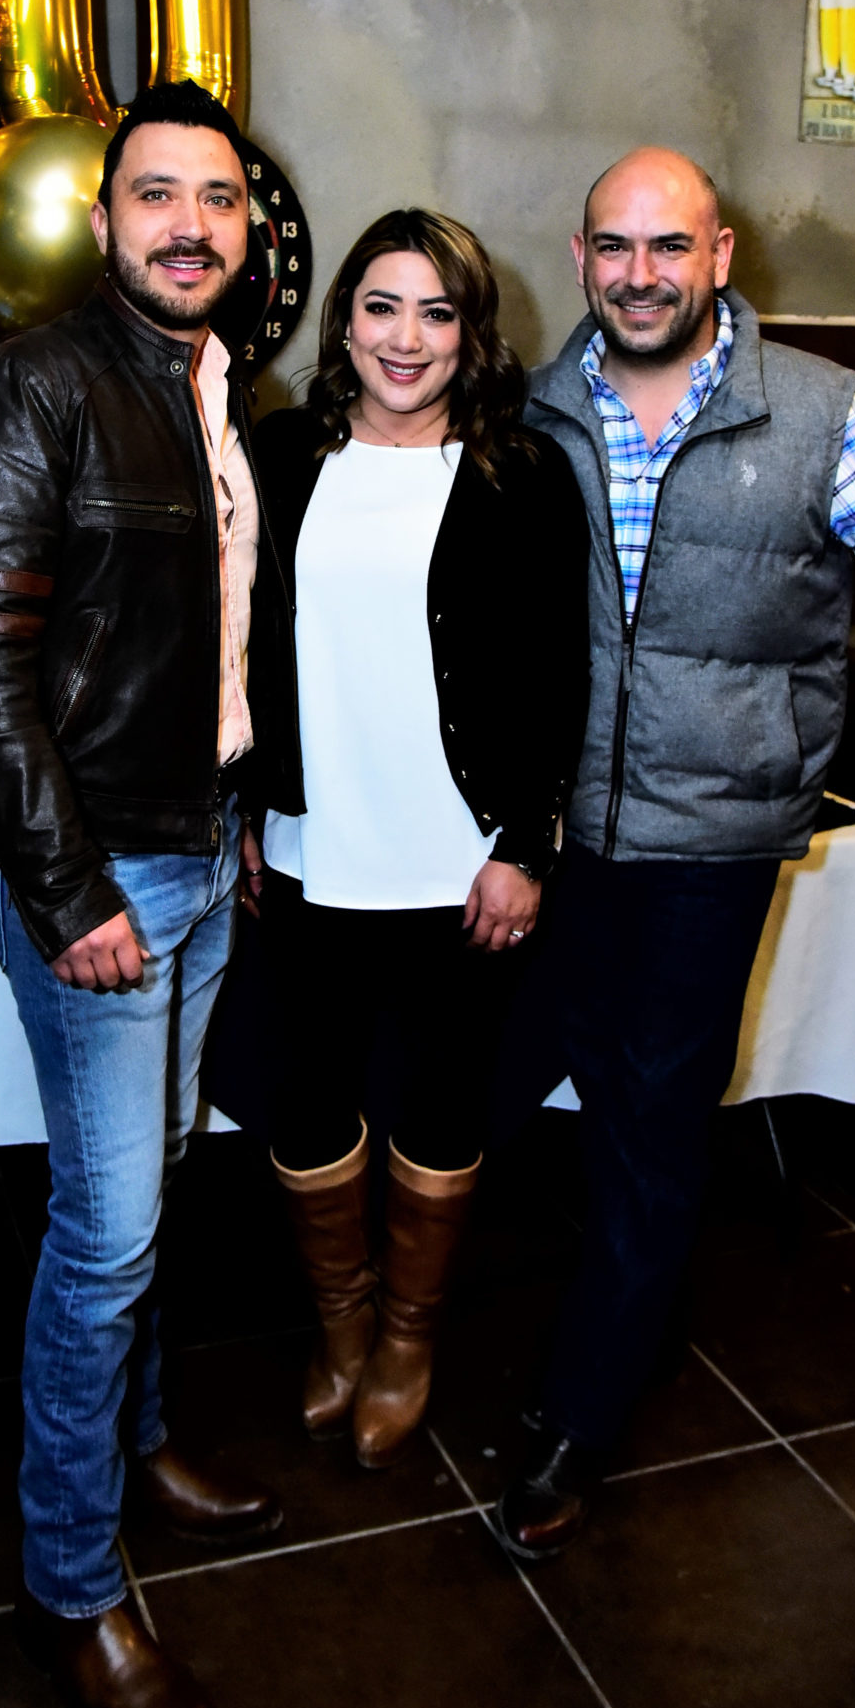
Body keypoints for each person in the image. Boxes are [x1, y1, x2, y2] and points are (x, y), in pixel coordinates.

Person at [492, 145, 855, 1561]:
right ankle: (495, 1332)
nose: (639, 274)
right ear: (579, 260)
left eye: (667, 247)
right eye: (613, 247)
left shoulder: (819, 411)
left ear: (721, 255)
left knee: (650, 1115)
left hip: (713, 840)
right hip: (550, 833)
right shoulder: (530, 409)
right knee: (491, 1082)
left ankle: (582, 1408)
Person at [0, 77, 282, 1708]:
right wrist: (67, 896)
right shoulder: (36, 381)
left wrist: (240, 828)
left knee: (160, 1180)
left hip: (198, 855)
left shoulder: (220, 395)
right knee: (110, 1234)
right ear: (102, 219)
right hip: (99, 880)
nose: (191, 225)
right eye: (158, 196)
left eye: (218, 199)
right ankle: (66, 1586)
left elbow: (205, 653)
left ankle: (137, 1442)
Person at [241, 210, 590, 1466]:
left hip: (456, 856)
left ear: (470, 333)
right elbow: (240, 648)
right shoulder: (280, 455)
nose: (405, 337)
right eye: (381, 307)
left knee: (441, 1108)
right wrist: (243, 806)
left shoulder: (519, 474)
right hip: (309, 841)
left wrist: (527, 844)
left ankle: (407, 1339)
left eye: (435, 312)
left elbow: (561, 675)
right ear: (342, 321)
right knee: (300, 1099)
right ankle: (339, 1327)